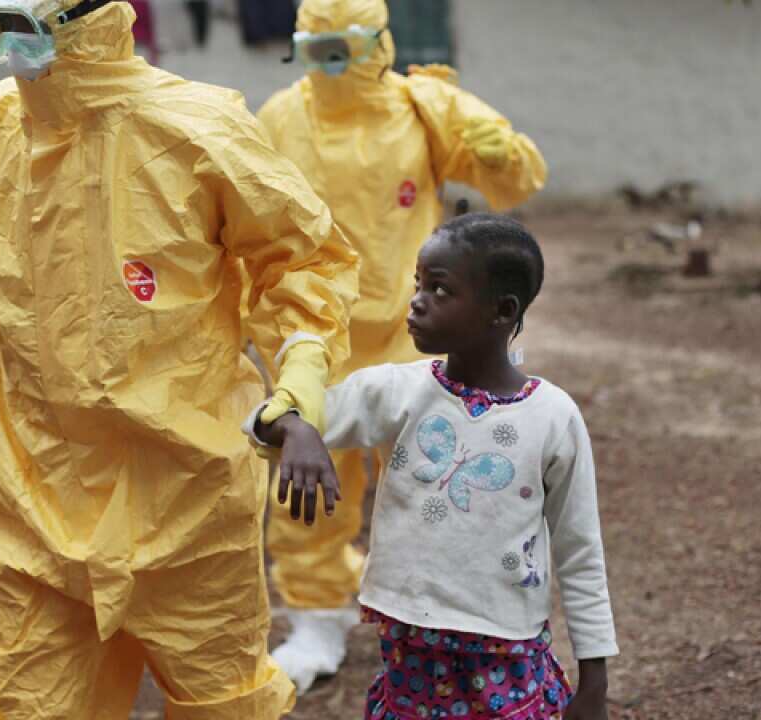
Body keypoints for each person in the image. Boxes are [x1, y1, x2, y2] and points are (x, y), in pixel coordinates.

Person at [0, 1, 359, 718]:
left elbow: (301, 260)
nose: (5, 48)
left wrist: (303, 377)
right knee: (29, 705)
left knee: (223, 703)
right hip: (36, 503)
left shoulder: (197, 131)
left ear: (83, 19)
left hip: (187, 498)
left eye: (20, 24)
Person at [255, 0, 549, 693]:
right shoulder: (278, 118)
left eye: (341, 46)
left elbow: (516, 180)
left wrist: (486, 138)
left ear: (375, 43)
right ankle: (317, 618)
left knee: (435, 479)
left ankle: (446, 612)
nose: (328, 61)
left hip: (412, 330)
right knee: (308, 481)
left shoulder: (421, 107)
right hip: (314, 332)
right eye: (315, 46)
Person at [248, 214, 618, 719]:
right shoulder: (397, 391)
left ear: (501, 311)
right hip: (410, 656)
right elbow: (261, 425)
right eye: (419, 284)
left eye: (440, 290)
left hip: (505, 656)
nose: (417, 300)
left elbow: (580, 552)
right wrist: (296, 429)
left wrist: (594, 682)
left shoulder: (552, 418)